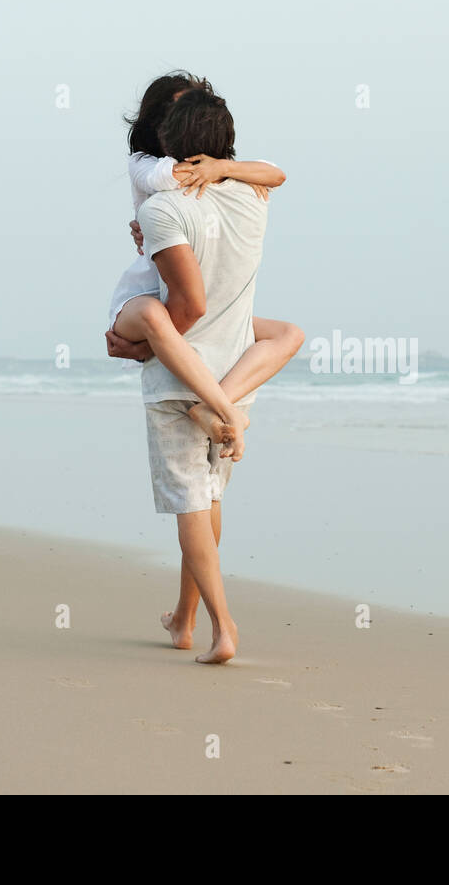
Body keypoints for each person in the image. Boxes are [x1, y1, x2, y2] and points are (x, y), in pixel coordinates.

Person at [133, 86, 270, 664]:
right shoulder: (252, 198)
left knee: (191, 505)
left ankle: (224, 628)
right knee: (210, 498)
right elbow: (273, 173)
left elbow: (183, 307)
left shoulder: (163, 208)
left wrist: (141, 341)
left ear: (169, 146)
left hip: (180, 380)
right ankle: (184, 620)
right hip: (235, 375)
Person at [105, 72, 303, 460]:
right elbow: (168, 177)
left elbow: (277, 174)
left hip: (201, 299)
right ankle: (216, 401)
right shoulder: (143, 162)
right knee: (156, 314)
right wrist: (221, 169)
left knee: (288, 334)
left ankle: (217, 406)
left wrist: (222, 168)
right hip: (151, 288)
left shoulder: (219, 174)